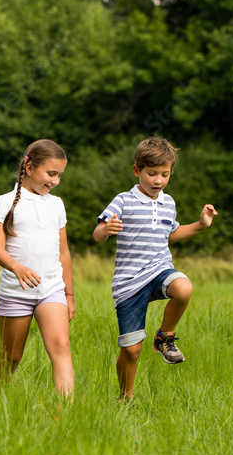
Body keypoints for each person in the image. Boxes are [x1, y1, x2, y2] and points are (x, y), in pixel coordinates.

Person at [93, 136, 217, 400]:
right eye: (152, 174)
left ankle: (164, 338)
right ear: (137, 170)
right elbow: (97, 233)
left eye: (165, 174)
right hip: (129, 283)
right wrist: (106, 229)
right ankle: (125, 398)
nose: (158, 180)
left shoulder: (168, 202)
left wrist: (200, 225)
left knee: (183, 287)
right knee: (131, 351)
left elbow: (169, 234)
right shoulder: (123, 200)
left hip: (159, 268)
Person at [0, 139, 75, 398]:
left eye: (60, 175)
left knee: (61, 347)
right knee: (11, 357)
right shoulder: (4, 203)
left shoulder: (57, 204)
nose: (56, 180)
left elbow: (64, 252)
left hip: (51, 289)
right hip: (16, 291)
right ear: (28, 168)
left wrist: (69, 294)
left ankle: (67, 411)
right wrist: (17, 267)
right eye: (51, 173)